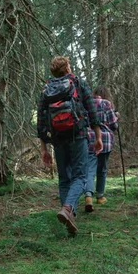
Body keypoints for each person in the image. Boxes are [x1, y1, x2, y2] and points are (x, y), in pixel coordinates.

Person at [37, 56, 102, 235]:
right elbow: (91, 110)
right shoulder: (78, 82)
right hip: (78, 135)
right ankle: (67, 209)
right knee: (80, 177)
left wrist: (43, 148)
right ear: (67, 68)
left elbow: (41, 120)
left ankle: (68, 216)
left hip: (58, 138)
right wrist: (98, 137)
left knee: (64, 178)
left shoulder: (46, 89)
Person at [84, 85, 119, 212]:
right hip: (105, 140)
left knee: (90, 169)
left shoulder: (86, 103)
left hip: (89, 140)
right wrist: (117, 117)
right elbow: (113, 125)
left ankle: (88, 195)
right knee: (102, 169)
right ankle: (100, 196)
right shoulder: (106, 103)